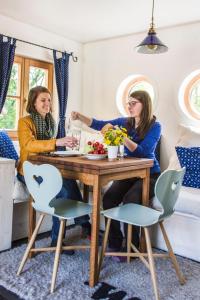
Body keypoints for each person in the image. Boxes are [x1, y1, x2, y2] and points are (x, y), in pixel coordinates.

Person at [71, 90, 161, 259]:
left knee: (131, 200)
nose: (130, 106)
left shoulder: (155, 126)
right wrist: (80, 116)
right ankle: (114, 242)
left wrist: (120, 135)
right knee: (109, 198)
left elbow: (143, 152)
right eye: (129, 103)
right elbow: (99, 124)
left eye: (134, 103)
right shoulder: (125, 122)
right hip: (130, 172)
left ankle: (131, 247)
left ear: (145, 105)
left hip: (150, 174)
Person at [17, 86, 91, 254]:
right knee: (62, 191)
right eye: (43, 100)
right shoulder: (25, 122)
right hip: (29, 173)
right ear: (33, 103)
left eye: (49, 100)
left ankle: (81, 225)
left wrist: (64, 146)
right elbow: (29, 145)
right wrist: (57, 142)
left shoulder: (50, 122)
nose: (47, 103)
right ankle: (61, 238)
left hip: (47, 170)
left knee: (70, 180)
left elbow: (50, 148)